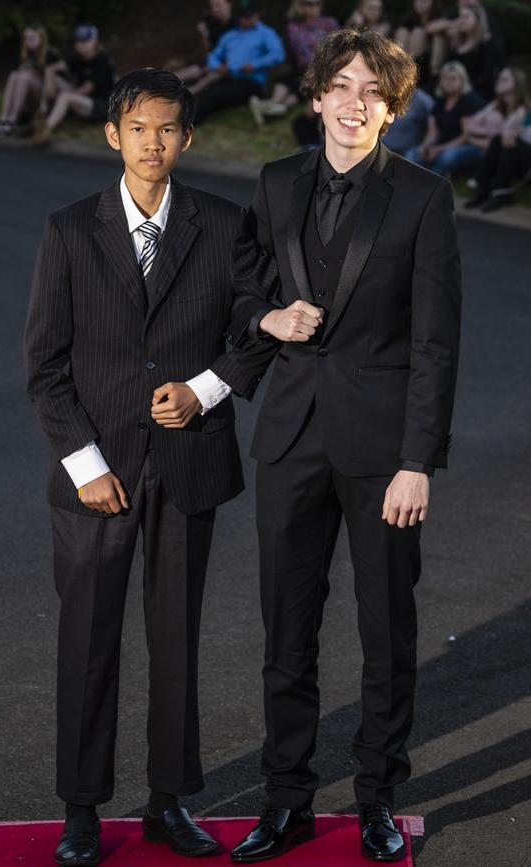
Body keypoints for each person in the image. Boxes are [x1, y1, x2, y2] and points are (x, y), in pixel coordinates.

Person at [215, 26, 460, 862]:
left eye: (375, 94)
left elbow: (435, 341)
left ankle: (377, 797)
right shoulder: (277, 182)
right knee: (287, 632)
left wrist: (417, 459)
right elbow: (244, 280)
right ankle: (286, 797)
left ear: (391, 112)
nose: (357, 104)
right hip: (288, 439)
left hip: (385, 452)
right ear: (316, 96)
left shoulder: (425, 197)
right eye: (343, 86)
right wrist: (266, 317)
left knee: (387, 631)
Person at [24, 68, 267, 867]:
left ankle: (170, 802)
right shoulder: (69, 229)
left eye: (167, 129)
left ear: (187, 138)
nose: (152, 143)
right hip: (98, 476)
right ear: (112, 136)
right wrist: (87, 465)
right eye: (138, 129)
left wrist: (202, 391)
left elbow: (255, 335)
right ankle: (82, 809)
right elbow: (46, 368)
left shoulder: (225, 226)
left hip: (188, 462)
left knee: (176, 640)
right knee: (87, 640)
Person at [249, 0, 339, 126]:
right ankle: (273, 104)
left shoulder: (330, 23)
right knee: (289, 80)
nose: (313, 7)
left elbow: (336, 47)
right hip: (303, 67)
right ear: (300, 5)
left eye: (317, 3)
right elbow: (299, 50)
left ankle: (277, 107)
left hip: (326, 67)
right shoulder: (294, 26)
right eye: (309, 4)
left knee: (304, 84)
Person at [193, 1, 285, 124]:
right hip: (227, 76)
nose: (245, 19)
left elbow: (278, 55)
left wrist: (255, 65)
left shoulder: (266, 33)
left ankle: (190, 123)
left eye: (249, 16)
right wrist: (217, 66)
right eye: (242, 16)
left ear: (257, 16)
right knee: (207, 92)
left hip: (251, 82)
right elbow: (214, 55)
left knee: (214, 96)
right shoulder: (230, 35)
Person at [33, 24, 115, 146]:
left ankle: (46, 130)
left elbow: (87, 89)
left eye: (85, 41)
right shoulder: (78, 58)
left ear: (94, 41)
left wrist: (65, 97)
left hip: (100, 106)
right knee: (55, 79)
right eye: (78, 42)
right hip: (82, 98)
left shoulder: (102, 60)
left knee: (65, 97)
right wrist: (49, 81)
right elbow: (53, 67)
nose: (80, 45)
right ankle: (43, 111)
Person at [465, 69, 531, 211]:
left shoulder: (524, 109)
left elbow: (509, 133)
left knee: (502, 140)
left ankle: (491, 187)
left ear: (517, 84)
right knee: (499, 139)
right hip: (504, 153)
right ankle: (488, 189)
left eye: (505, 79)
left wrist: (481, 136)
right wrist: (491, 132)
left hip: (525, 160)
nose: (499, 81)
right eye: (499, 78)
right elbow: (469, 126)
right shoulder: (495, 105)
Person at [406, 60, 483, 176]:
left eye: (453, 79)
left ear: (462, 81)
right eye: (445, 78)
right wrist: (425, 146)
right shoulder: (439, 103)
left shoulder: (469, 102)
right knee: (412, 155)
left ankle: (436, 177)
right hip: (441, 147)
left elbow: (466, 137)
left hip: (466, 146)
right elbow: (433, 132)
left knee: (448, 157)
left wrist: (438, 149)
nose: (448, 82)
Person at [0, 24, 61, 137]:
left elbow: (50, 84)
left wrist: (43, 105)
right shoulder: (26, 54)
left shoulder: (50, 54)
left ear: (41, 39)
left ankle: (13, 118)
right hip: (29, 95)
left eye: (33, 38)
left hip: (46, 96)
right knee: (14, 75)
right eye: (27, 38)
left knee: (25, 76)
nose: (29, 41)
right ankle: (4, 116)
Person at [175, 0, 238, 94]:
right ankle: (160, 80)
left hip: (228, 65)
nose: (215, 9)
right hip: (212, 61)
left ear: (229, 5)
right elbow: (208, 49)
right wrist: (204, 33)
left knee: (211, 76)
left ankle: (186, 94)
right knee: (193, 70)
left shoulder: (238, 25)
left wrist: (216, 65)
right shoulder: (211, 22)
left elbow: (237, 53)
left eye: (218, 5)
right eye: (212, 6)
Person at [445, 3, 499, 101]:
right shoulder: (456, 45)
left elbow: (485, 76)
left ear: (478, 20)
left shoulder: (486, 45)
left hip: (475, 94)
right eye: (460, 17)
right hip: (451, 93)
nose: (461, 21)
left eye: (466, 17)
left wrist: (462, 90)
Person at [394, 0, 446, 87]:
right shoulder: (409, 19)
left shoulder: (439, 17)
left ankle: (411, 71)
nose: (420, 3)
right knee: (402, 32)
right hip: (409, 58)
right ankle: (399, 69)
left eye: (424, 1)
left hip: (428, 60)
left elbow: (438, 27)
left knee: (418, 33)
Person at [382, 87, 434, 155]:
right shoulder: (384, 94)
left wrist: (424, 146)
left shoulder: (422, 100)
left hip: (409, 150)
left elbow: (434, 127)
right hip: (384, 146)